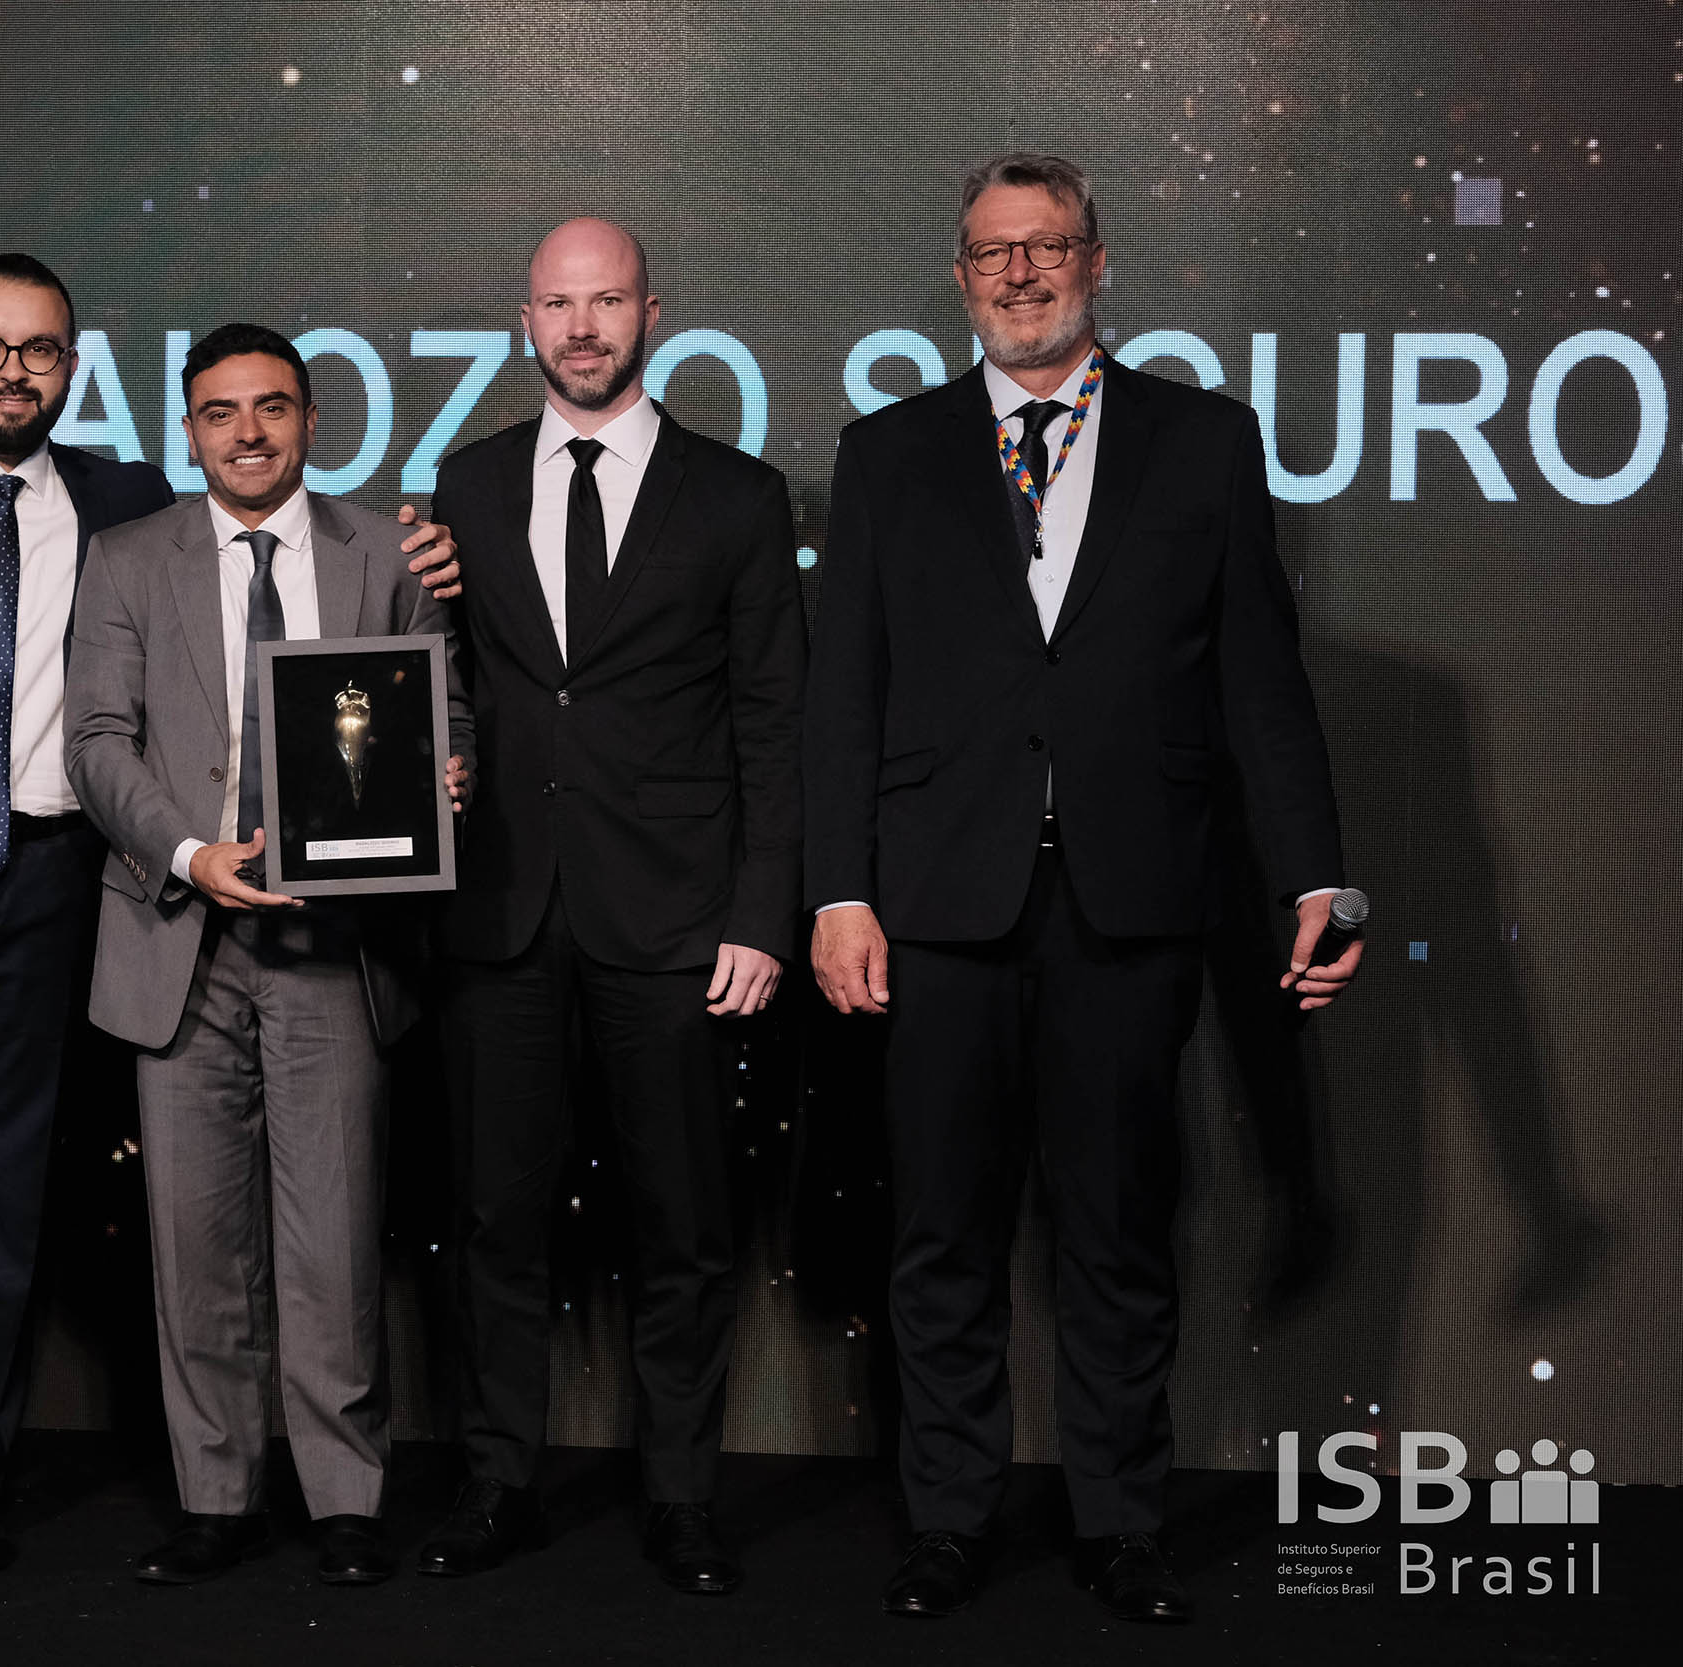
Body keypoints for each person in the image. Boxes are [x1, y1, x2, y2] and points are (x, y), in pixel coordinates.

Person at [0, 256, 464, 1584]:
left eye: (40, 350)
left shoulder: (122, 501)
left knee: (4, 1202)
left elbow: (372, 634)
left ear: (72, 368)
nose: (13, 370)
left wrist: (426, 604)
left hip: (48, 895)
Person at [803, 153, 1361, 1624]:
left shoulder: (1204, 440)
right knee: (941, 1234)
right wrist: (837, 891)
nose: (1021, 273)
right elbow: (842, 695)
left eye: (1047, 246)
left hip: (1131, 898)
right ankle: (947, 1517)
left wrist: (1315, 874)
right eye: (994, 252)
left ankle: (1121, 1520)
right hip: (936, 905)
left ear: (1096, 263)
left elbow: (1262, 685)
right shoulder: (889, 451)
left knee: (1117, 1229)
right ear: (961, 275)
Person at [421, 219, 806, 1595]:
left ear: (653, 312)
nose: (581, 326)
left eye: (606, 301)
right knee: (494, 1219)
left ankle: (683, 1494)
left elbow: (775, 721)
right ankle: (495, 1481)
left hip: (680, 918)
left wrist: (762, 912)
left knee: (682, 1224)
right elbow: (442, 681)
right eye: (557, 303)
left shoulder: (740, 497)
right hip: (501, 910)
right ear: (524, 320)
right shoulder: (462, 487)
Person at [65, 323, 471, 1587]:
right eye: (221, 411)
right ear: (188, 430)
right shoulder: (128, 558)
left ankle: (346, 1498)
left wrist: (450, 768)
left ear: (310, 420)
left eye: (273, 407)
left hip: (335, 944)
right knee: (195, 1240)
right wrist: (191, 854)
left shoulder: (384, 554)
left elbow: (444, 707)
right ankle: (216, 1496)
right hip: (178, 933)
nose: (248, 432)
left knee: (333, 1238)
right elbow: (96, 740)